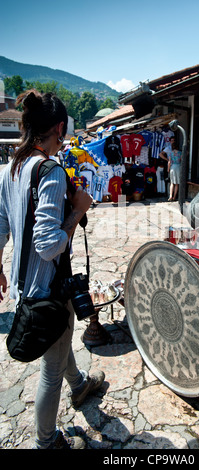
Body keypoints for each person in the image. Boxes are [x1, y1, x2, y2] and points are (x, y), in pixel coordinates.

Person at [0, 89, 105, 449]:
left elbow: (1, 225)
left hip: (24, 286)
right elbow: (48, 245)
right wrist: (79, 210)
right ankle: (46, 441)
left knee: (59, 342)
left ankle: (80, 386)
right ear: (60, 128)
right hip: (47, 291)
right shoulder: (51, 171)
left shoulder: (10, 168)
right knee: (51, 370)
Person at [159, 137, 181, 201]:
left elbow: (169, 162)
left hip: (172, 167)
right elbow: (182, 160)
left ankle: (170, 195)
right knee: (177, 183)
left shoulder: (171, 153)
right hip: (178, 167)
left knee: (172, 183)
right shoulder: (180, 153)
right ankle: (174, 196)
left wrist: (168, 169)